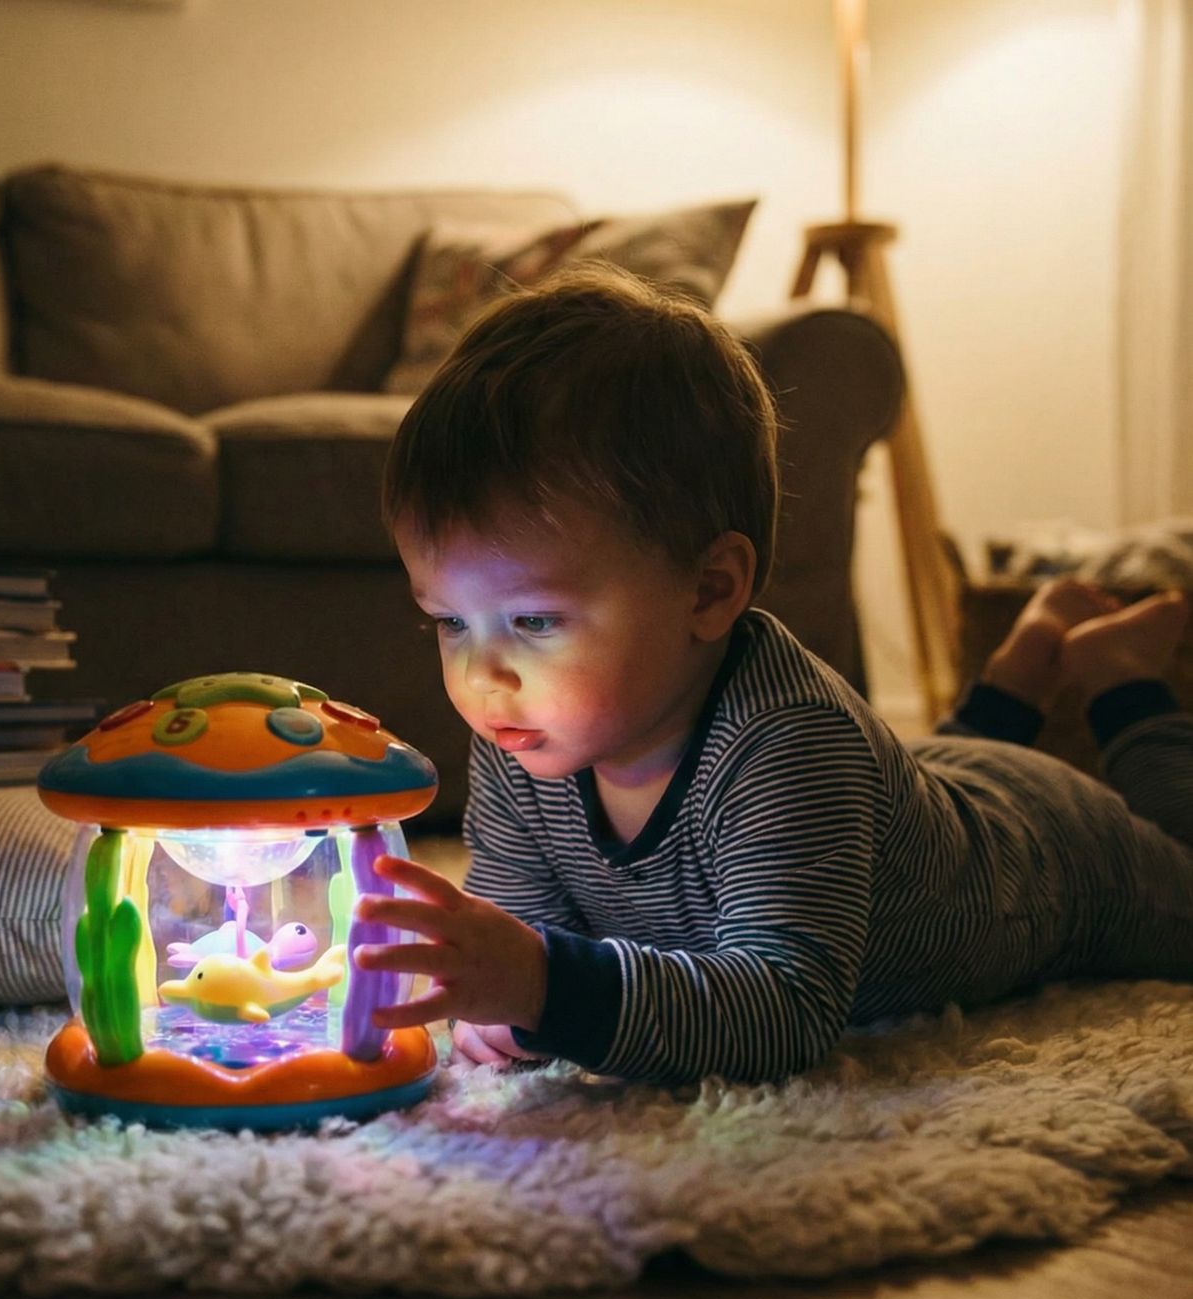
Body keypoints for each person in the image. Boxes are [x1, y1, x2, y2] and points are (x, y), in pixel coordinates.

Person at [351, 264, 1193, 1085]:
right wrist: (504, 996)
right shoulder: (523, 734)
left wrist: (545, 988)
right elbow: (528, 933)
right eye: (450, 622)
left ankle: (1118, 679)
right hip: (917, 799)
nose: (480, 676)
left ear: (710, 588)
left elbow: (783, 1009)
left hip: (1044, 860)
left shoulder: (788, 744)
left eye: (533, 620)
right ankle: (1016, 677)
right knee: (923, 779)